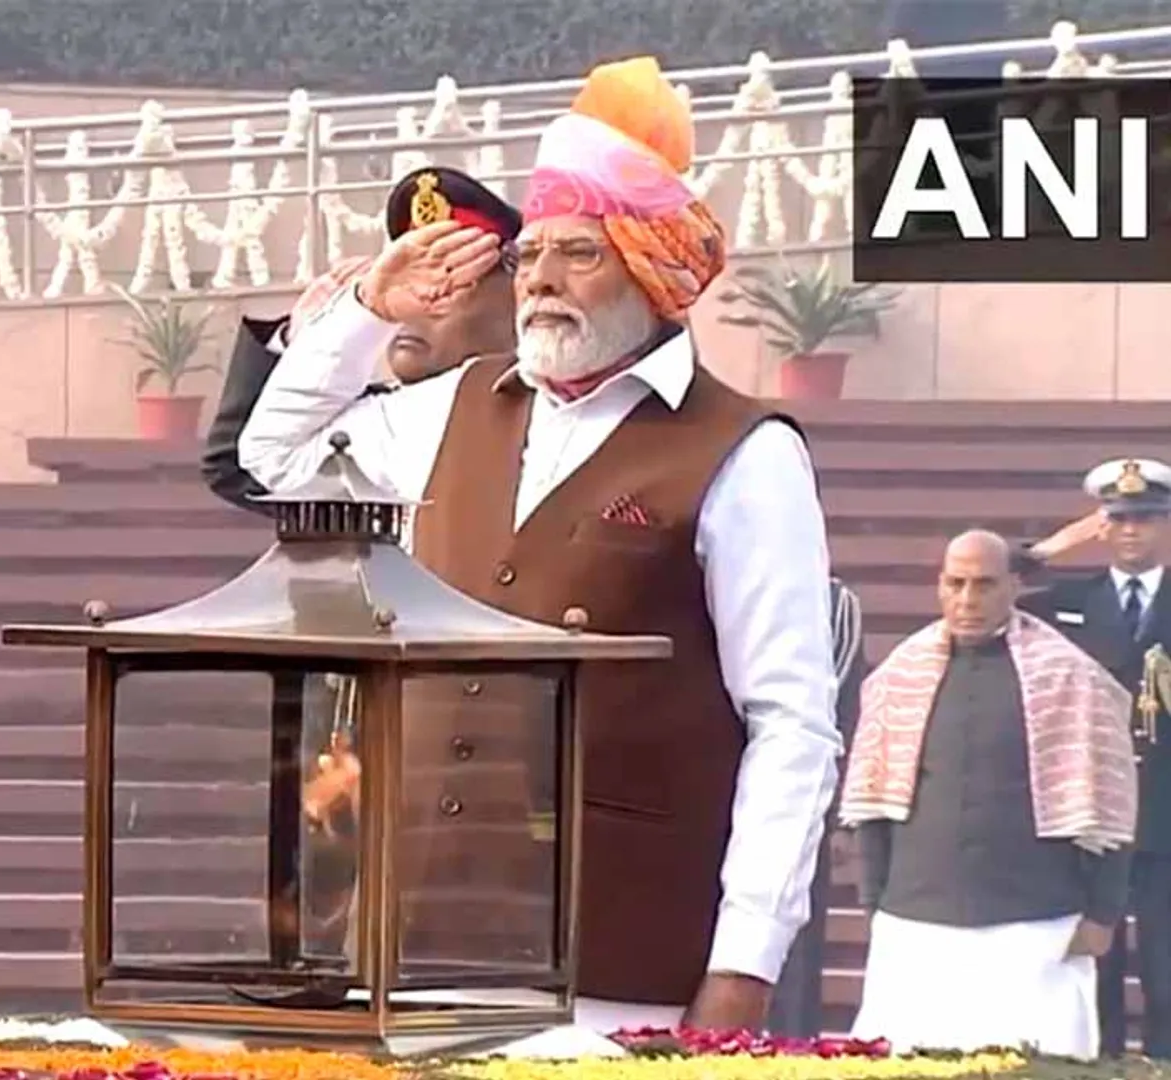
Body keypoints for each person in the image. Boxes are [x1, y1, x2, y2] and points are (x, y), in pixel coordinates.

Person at [238, 55, 840, 1039]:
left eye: (579, 256)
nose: (541, 283)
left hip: (618, 951)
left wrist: (743, 962)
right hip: (424, 937)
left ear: (650, 270)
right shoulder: (454, 410)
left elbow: (789, 725)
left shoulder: (743, 452)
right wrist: (366, 314)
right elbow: (275, 458)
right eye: (532, 259)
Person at [843, 530, 1135, 1060]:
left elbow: (1111, 805)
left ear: (1013, 587)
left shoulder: (1071, 678)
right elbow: (872, 802)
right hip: (915, 923)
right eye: (955, 584)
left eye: (983, 585)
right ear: (939, 587)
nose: (967, 599)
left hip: (1039, 923)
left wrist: (1103, 916)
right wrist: (873, 903)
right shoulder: (898, 678)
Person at [201, 165, 521, 513]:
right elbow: (256, 460)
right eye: (408, 284)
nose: (413, 310)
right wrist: (351, 317)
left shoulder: (547, 409)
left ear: (519, 294)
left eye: (448, 281)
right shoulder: (389, 420)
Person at [1018, 459, 1171, 1057]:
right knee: (1093, 970)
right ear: (1100, 528)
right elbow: (996, 577)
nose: (1132, 532)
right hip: (1092, 814)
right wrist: (1050, 549)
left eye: (1146, 520)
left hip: (1165, 814)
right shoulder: (1065, 604)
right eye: (1119, 520)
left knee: (1166, 970)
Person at [767, 576, 869, 1038]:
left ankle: (792, 1051)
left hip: (795, 794)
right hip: (706, 786)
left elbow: (837, 706)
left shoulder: (831, 601)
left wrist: (842, 814)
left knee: (792, 945)